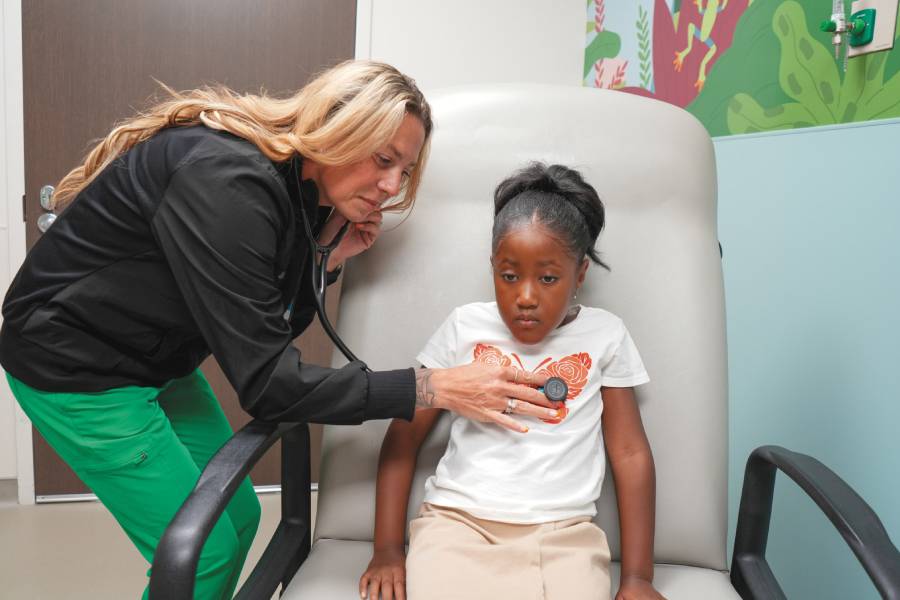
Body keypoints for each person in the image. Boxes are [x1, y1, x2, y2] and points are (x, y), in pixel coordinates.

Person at [0, 60, 557, 600]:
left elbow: (277, 325)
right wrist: (428, 387)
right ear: (339, 128)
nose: (391, 185)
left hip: (155, 357)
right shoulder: (227, 181)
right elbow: (270, 383)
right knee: (205, 552)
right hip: (76, 366)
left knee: (239, 517)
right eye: (384, 159)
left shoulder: (303, 190)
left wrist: (328, 256)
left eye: (404, 171)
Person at [359, 163, 666, 600]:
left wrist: (638, 578)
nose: (525, 296)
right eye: (509, 276)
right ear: (492, 268)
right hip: (456, 526)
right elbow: (404, 434)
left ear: (579, 275)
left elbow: (631, 453)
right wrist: (387, 549)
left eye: (547, 278)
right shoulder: (464, 327)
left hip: (564, 539)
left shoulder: (606, 336)